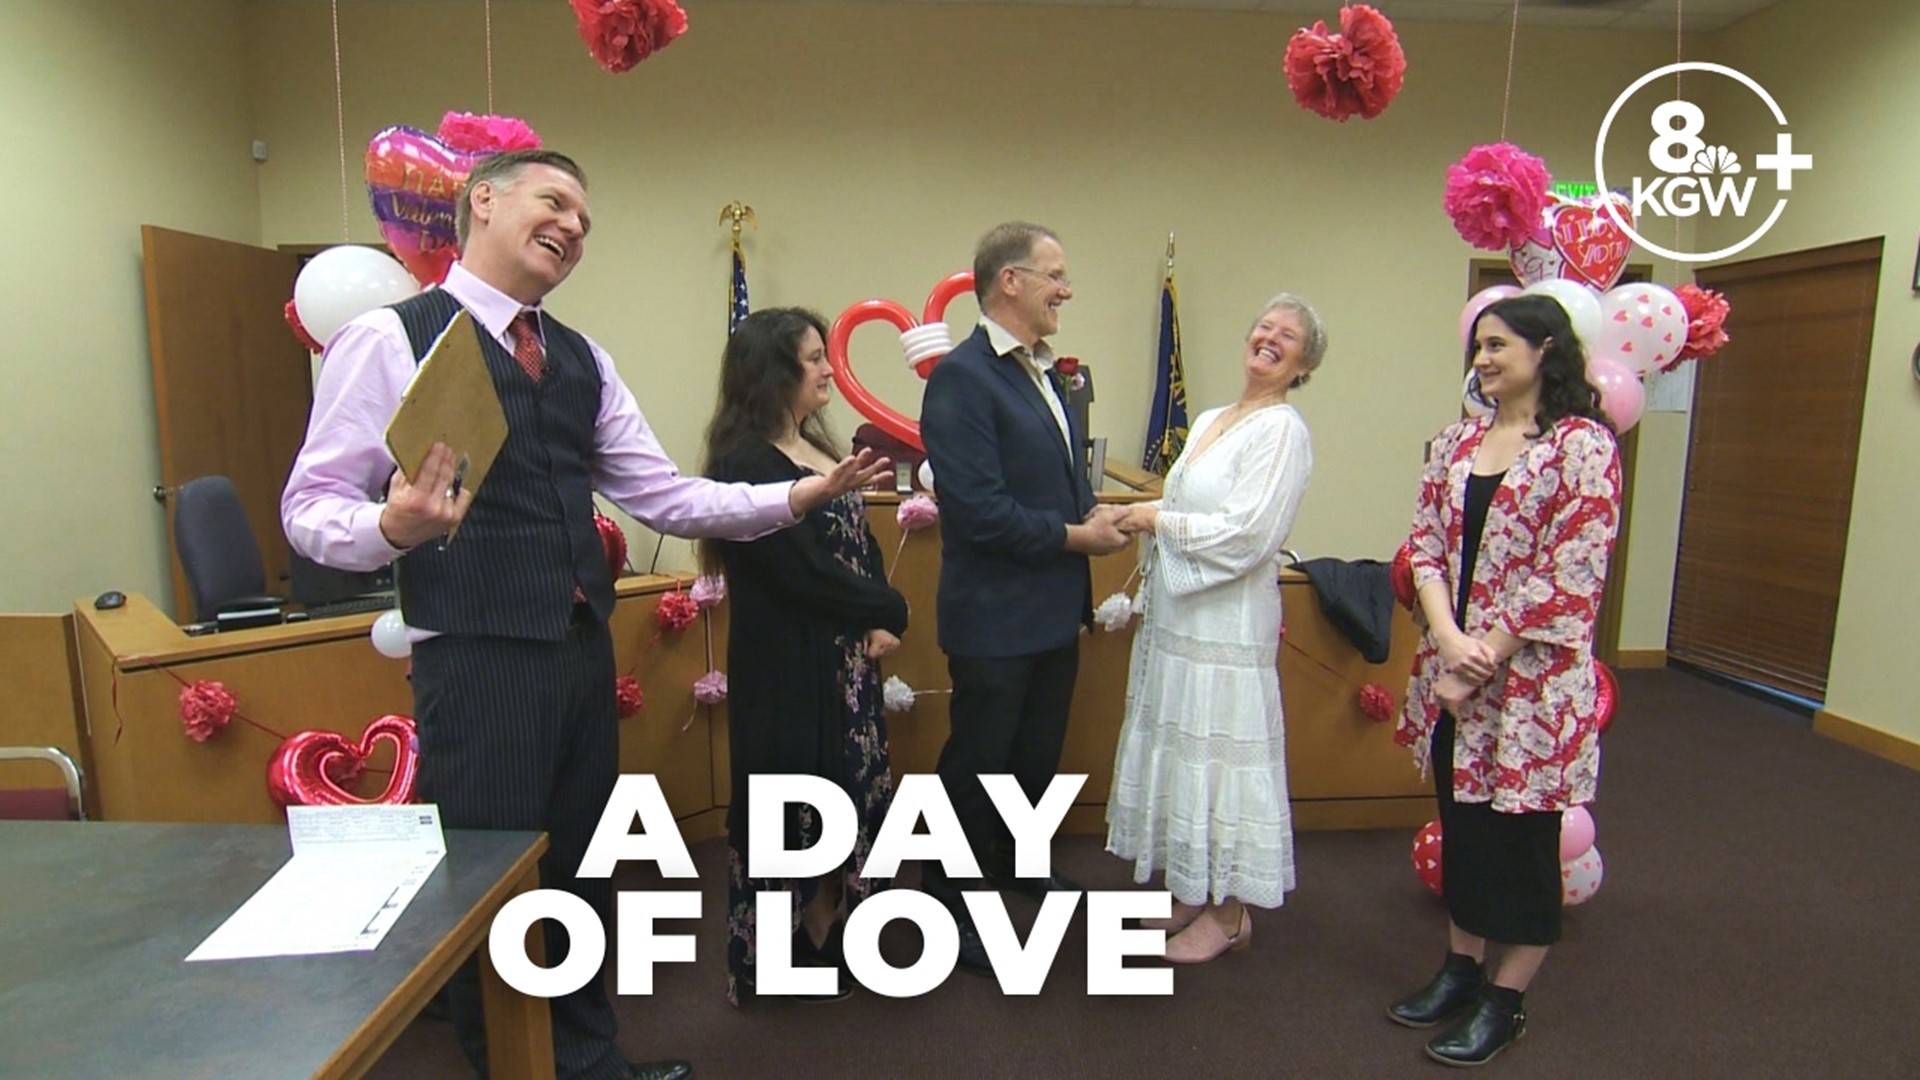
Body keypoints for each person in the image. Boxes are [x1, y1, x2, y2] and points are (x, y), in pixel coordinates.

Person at [281, 149, 888, 1080]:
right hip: (478, 658)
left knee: (579, 879)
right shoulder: (391, 338)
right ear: (481, 201)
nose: (572, 227)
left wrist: (796, 500)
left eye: (585, 222)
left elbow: (665, 497)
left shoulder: (579, 358)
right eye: (553, 201)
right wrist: (389, 525)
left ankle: (591, 1062)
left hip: (575, 651)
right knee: (492, 891)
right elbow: (310, 509)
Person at [1387, 294, 1622, 1067]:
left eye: (1497, 346)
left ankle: (1506, 999)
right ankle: (1460, 969)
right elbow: (1422, 547)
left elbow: (1571, 571)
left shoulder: (1582, 444)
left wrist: (1481, 655)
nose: (1482, 360)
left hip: (1530, 692)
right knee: (1465, 831)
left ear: (1546, 349)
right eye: (1477, 348)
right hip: (1457, 669)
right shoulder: (1457, 442)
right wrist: (1448, 639)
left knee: (1519, 845)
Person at [918, 222, 1131, 974]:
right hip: (994, 616)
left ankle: (1018, 864)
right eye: (1055, 274)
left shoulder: (1054, 375)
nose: (1065, 289)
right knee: (978, 763)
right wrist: (1080, 538)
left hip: (1052, 608)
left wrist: (1097, 516)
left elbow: (1059, 485)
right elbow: (977, 512)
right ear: (1008, 281)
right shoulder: (961, 379)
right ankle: (947, 899)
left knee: (1035, 758)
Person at [699, 308, 909, 1006]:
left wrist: (877, 605)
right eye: (814, 357)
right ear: (774, 372)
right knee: (792, 804)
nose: (828, 368)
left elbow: (857, 542)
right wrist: (885, 607)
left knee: (848, 792)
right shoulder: (744, 463)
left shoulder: (821, 444)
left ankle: (828, 920)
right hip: (789, 663)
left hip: (845, 663)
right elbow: (797, 573)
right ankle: (769, 954)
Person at [1105, 293, 1323, 963]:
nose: (1269, 338)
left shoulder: (1284, 430)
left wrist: (1154, 521)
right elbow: (1185, 501)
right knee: (1180, 748)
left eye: (1287, 336)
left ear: (1304, 363)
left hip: (1227, 629)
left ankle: (1230, 915)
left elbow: (1250, 536)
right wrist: (1143, 509)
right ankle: (1190, 891)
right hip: (1179, 617)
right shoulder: (1208, 421)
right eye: (1264, 325)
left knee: (1219, 757)